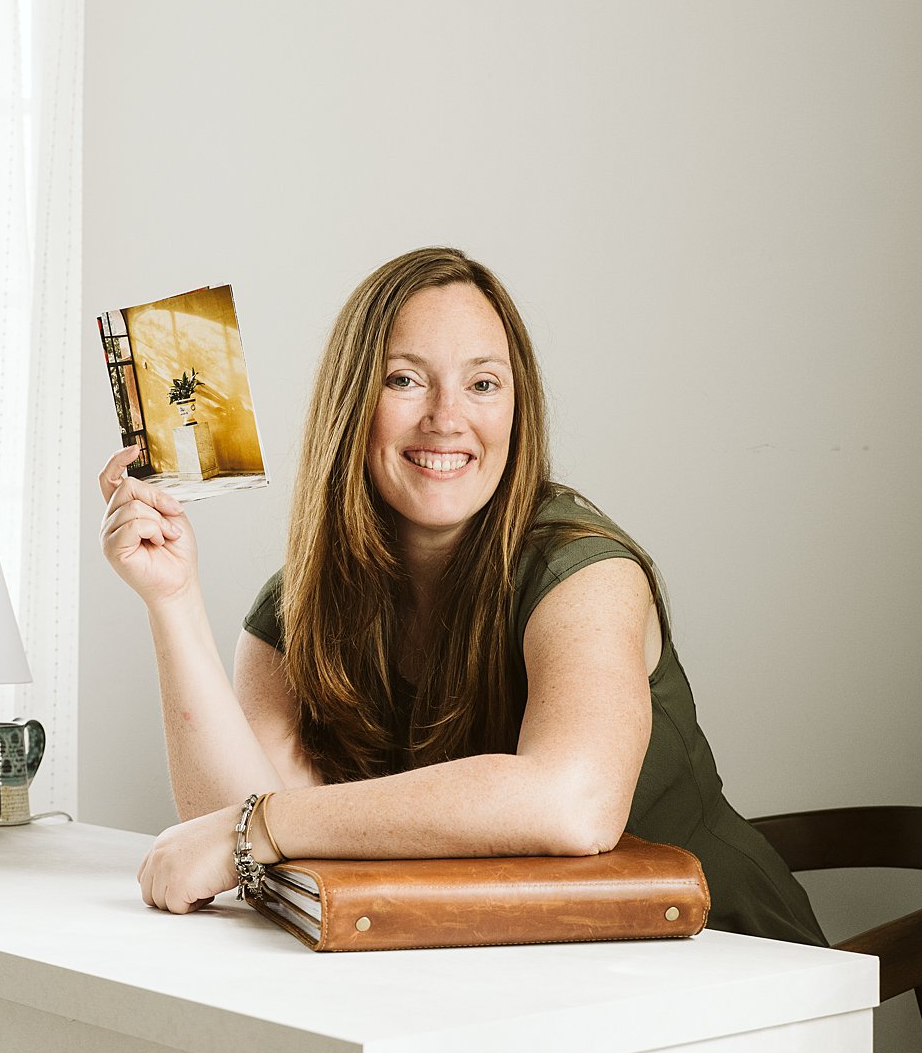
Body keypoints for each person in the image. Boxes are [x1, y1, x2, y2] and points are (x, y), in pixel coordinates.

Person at [96, 247, 826, 946]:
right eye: (405, 380)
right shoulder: (300, 601)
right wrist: (174, 599)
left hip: (724, 956)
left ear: (517, 407)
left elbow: (574, 805)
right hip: (513, 968)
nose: (448, 417)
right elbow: (226, 836)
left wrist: (260, 829)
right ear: (353, 401)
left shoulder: (583, 568)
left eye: (483, 383)